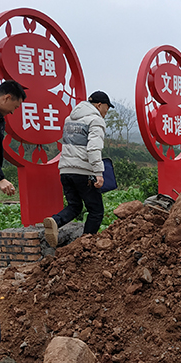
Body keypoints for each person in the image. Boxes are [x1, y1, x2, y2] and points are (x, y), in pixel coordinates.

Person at [43, 91, 114, 248]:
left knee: (75, 206)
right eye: (107, 108)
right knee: (96, 210)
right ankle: (85, 245)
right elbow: (93, 148)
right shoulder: (96, 120)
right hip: (83, 172)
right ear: (99, 105)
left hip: (65, 171)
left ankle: (55, 221)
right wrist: (98, 173)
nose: (106, 112)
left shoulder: (69, 119)